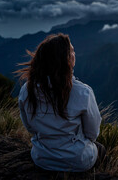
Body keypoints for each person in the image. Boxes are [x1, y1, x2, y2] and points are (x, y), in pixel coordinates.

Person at [16, 33, 105, 172]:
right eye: (71, 51)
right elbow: (92, 133)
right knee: (101, 149)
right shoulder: (83, 92)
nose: (74, 54)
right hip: (77, 161)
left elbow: (30, 128)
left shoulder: (26, 90)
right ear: (66, 59)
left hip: (42, 158)